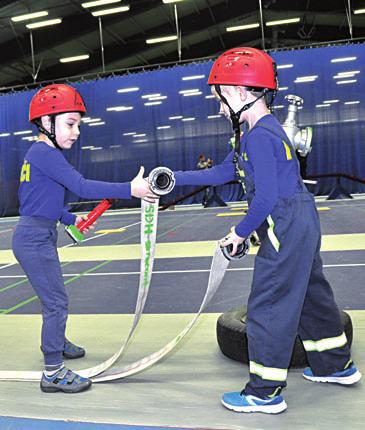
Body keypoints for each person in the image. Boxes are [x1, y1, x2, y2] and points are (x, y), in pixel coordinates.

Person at [172, 47, 361, 414]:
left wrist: (239, 234)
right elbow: (222, 173)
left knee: (269, 304)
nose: (220, 108)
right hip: (302, 219)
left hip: (284, 224)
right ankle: (336, 366)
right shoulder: (258, 133)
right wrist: (172, 179)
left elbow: (266, 199)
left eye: (222, 97)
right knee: (310, 294)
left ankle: (264, 392)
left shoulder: (259, 137)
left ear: (242, 93)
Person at [12, 83, 156, 394]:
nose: (77, 132)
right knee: (56, 302)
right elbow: (82, 186)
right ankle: (52, 371)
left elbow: (35, 200)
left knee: (53, 299)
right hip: (34, 239)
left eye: (78, 124)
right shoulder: (44, 153)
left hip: (37, 233)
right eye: (70, 123)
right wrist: (129, 189)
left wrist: (68, 218)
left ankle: (56, 341)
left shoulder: (38, 154)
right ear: (46, 123)